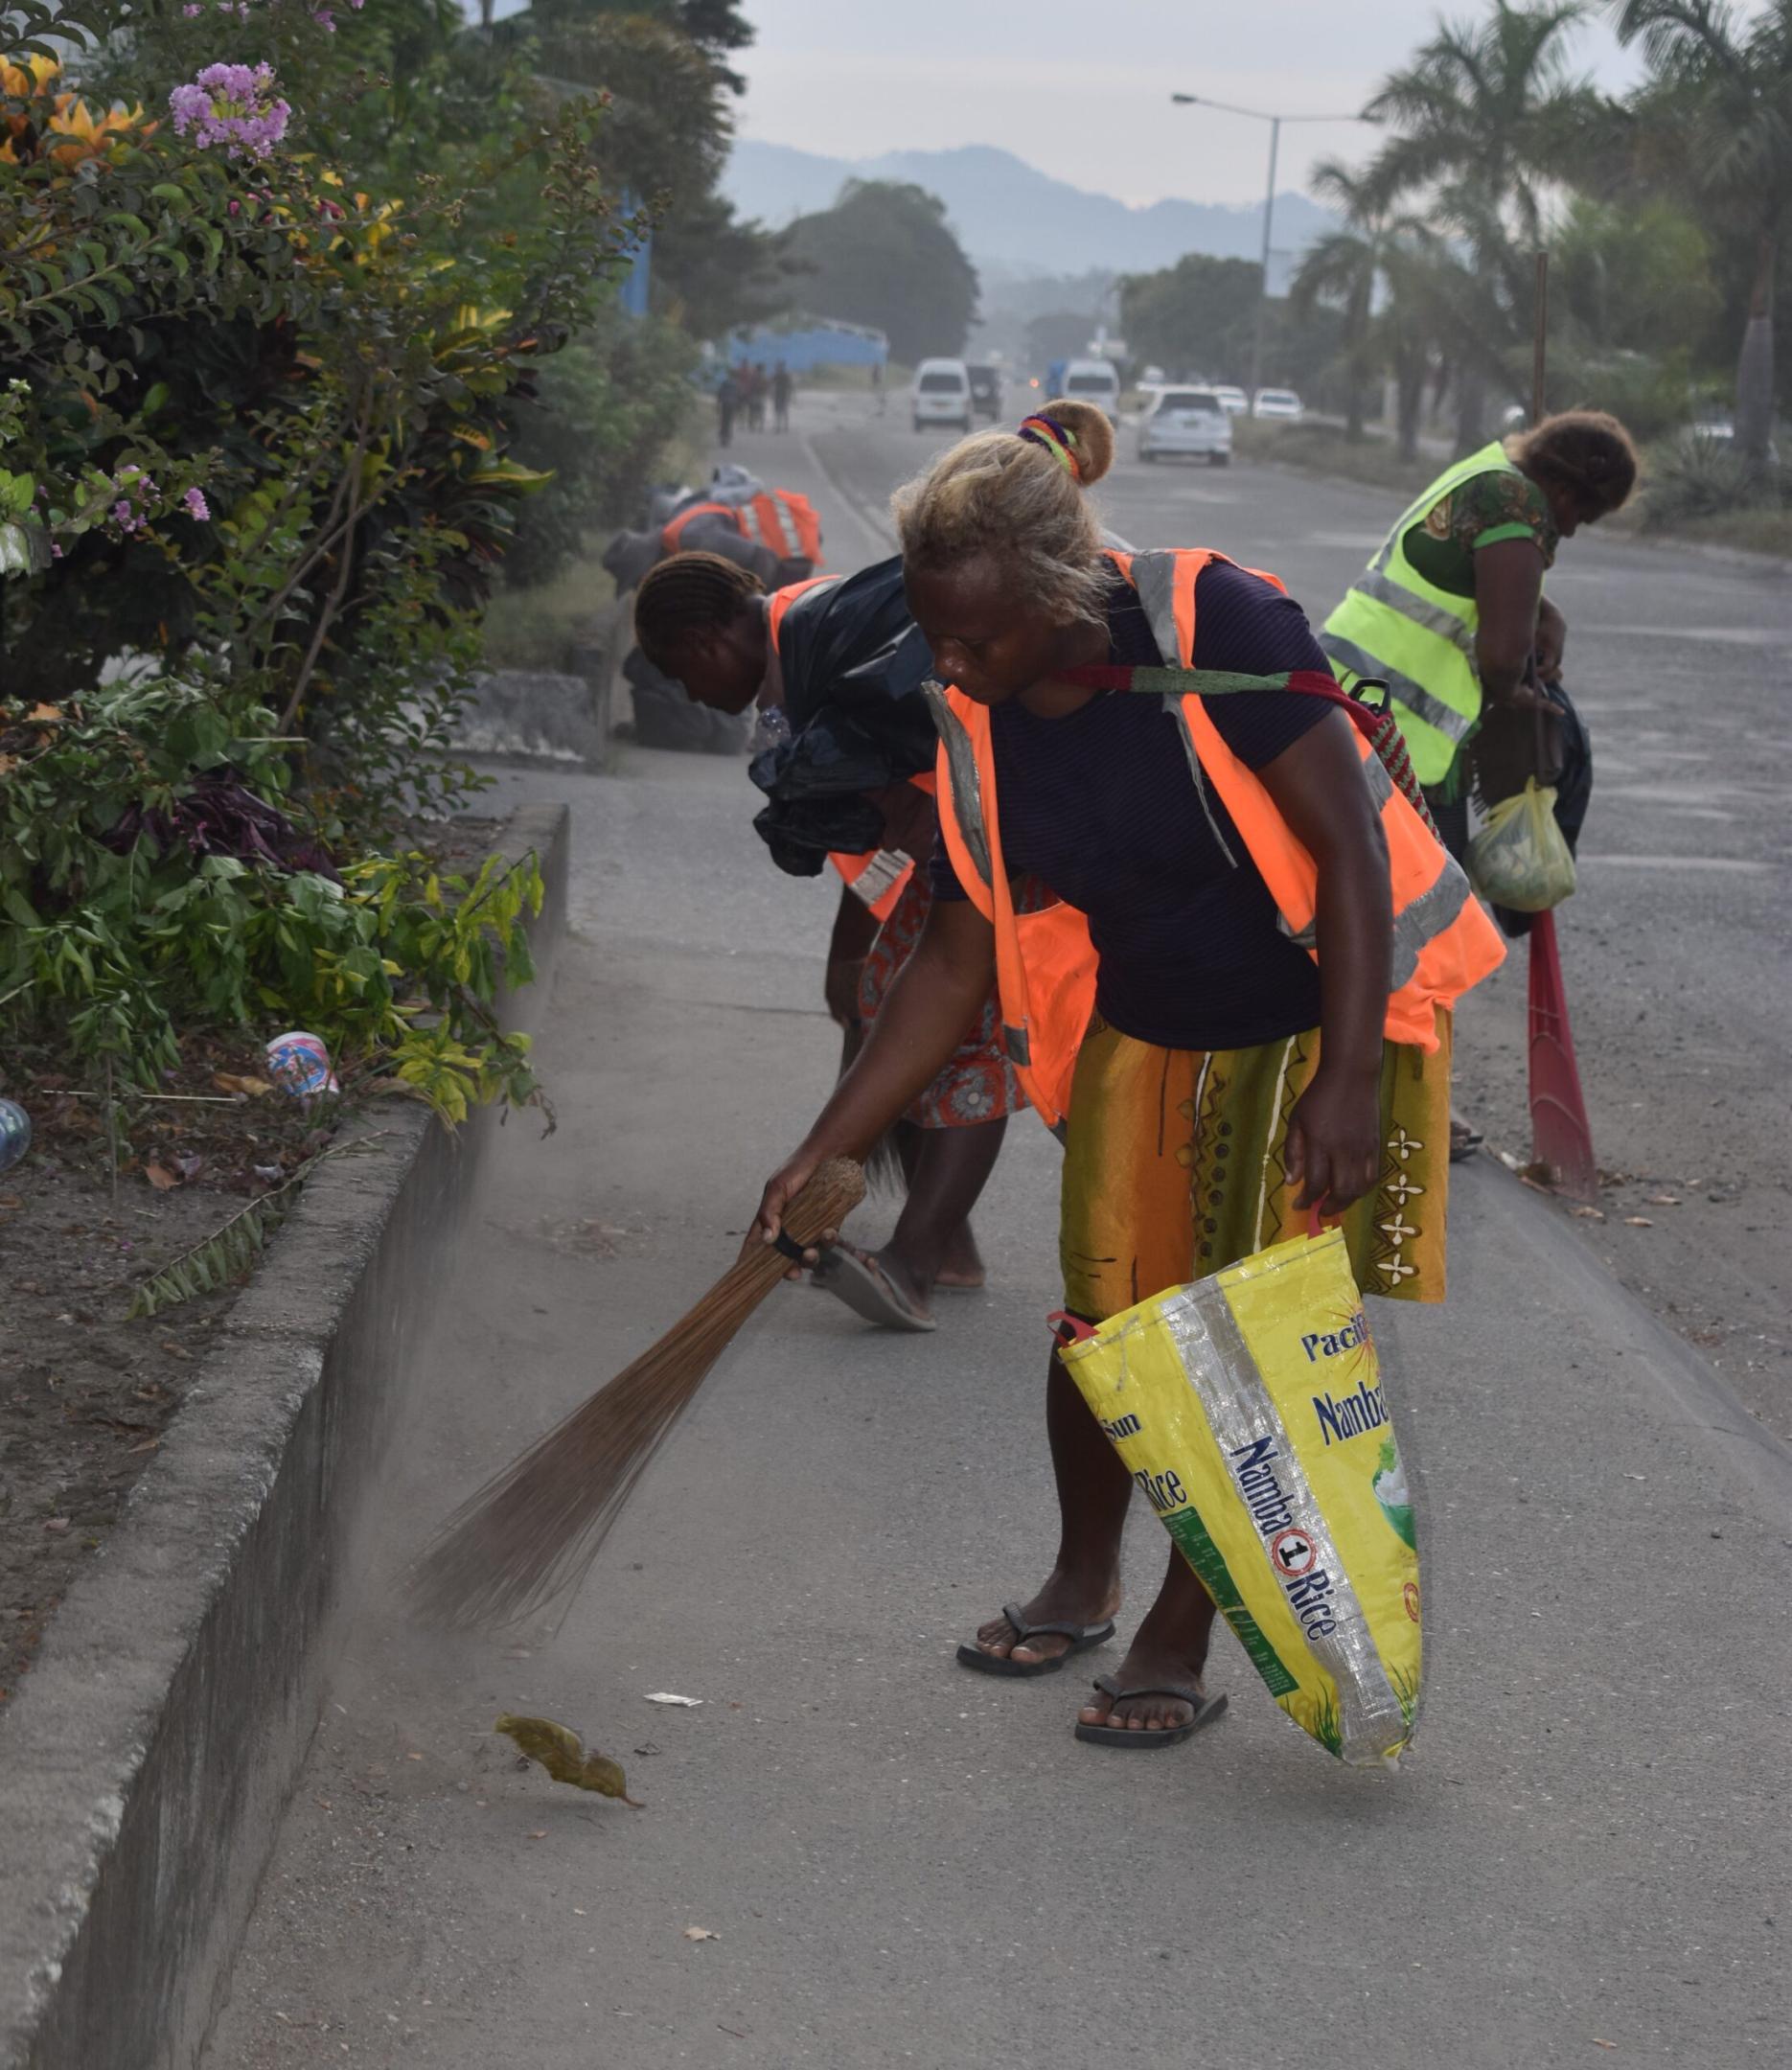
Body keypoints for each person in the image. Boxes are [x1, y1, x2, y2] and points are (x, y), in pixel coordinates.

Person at [746, 400, 1504, 1748]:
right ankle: (1081, 1577)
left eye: (976, 634)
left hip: (1303, 1024)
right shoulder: (976, 715)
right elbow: (954, 960)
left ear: (1059, 597)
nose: (952, 660)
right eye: (937, 632)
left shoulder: (1217, 627)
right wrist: (825, 1148)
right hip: (1141, 1029)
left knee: (1232, 1342)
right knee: (1099, 1326)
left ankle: (1181, 1626)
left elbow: (1350, 855)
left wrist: (1344, 1080)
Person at [633, 549, 1022, 1326]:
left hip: (1011, 840)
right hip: (957, 846)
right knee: (886, 1004)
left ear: (705, 643)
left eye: (681, 677)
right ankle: (947, 1243)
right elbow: (879, 813)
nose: (694, 699)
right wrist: (853, 949)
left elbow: (901, 781)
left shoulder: (824, 642)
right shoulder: (804, 650)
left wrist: (853, 940)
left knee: (961, 1034)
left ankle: (921, 1258)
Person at [1319, 409, 1637, 1154]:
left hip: (1346, 712)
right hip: (1397, 746)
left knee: (1362, 918)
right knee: (1427, 933)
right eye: (1582, 512)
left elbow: (1469, 583)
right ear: (1565, 485)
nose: (1576, 529)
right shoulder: (1517, 506)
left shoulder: (1488, 476)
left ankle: (1387, 1088)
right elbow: (1499, 655)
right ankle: (1412, 1105)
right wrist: (1520, 699)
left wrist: (1539, 607)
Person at [715, 368, 738, 449]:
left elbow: (719, 393)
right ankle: (727, 436)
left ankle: (723, 436)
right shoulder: (736, 384)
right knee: (729, 421)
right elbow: (737, 395)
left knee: (723, 420)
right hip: (732, 404)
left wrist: (717, 403)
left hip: (725, 403)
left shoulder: (725, 383)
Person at [772, 360, 793, 434]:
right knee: (780, 412)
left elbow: (789, 386)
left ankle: (783, 426)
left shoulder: (782, 375)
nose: (778, 368)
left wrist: (789, 394)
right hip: (779, 395)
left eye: (779, 366)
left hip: (782, 395)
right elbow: (772, 385)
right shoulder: (778, 375)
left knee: (782, 412)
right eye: (778, 366)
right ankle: (780, 426)